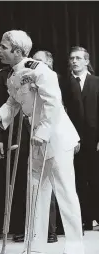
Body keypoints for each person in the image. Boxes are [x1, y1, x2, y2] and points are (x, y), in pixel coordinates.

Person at [0, 30, 84, 254]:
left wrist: (43, 131)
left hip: (55, 136)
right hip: (37, 139)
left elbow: (54, 102)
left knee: (65, 194)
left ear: (17, 51)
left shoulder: (40, 70)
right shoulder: (13, 75)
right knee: (35, 193)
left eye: (4, 47)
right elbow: (13, 101)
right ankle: (33, 248)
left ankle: (75, 251)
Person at [64, 46, 99, 230]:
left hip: (94, 139)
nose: (74, 61)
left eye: (78, 58)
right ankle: (84, 219)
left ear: (87, 61)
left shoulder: (96, 82)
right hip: (73, 140)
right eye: (72, 58)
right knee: (77, 179)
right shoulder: (65, 84)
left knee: (96, 177)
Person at [0, 65, 30, 241]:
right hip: (14, 133)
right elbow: (5, 103)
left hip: (38, 132)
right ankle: (17, 226)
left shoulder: (36, 71)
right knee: (17, 182)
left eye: (4, 47)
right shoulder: (4, 76)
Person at [33, 50, 58, 243]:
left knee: (56, 188)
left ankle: (51, 231)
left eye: (39, 61)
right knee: (38, 187)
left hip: (54, 138)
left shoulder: (52, 78)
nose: (34, 63)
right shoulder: (31, 80)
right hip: (35, 139)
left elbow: (56, 108)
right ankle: (36, 235)